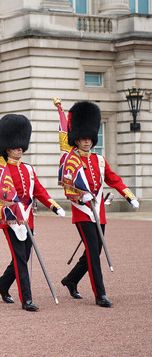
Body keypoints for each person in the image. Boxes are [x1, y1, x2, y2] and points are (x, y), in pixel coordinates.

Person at [60, 101, 140, 308]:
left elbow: (114, 179)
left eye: (89, 138)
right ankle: (100, 294)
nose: (87, 141)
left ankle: (71, 279)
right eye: (83, 138)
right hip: (82, 212)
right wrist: (80, 198)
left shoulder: (99, 160)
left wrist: (129, 196)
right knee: (94, 252)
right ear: (76, 139)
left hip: (99, 212)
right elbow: (68, 186)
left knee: (94, 252)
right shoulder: (71, 160)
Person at [0, 114, 65, 312]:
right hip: (11, 219)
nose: (20, 148)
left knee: (22, 257)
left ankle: (3, 285)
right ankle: (27, 299)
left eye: (21, 145)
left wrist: (55, 206)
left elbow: (39, 191)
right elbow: (0, 193)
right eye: (16, 146)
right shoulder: (2, 169)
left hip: (28, 218)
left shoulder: (28, 170)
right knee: (21, 259)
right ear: (7, 148)